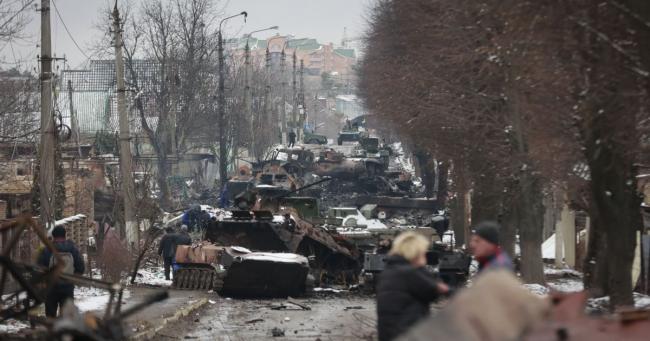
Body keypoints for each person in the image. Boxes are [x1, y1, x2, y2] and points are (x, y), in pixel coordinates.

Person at [376, 232, 449, 341]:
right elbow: (433, 291)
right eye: (423, 252)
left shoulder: (390, 271)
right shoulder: (409, 273)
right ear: (415, 252)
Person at [37, 226, 85, 318]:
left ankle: (51, 331)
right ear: (65, 235)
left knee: (50, 316)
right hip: (68, 287)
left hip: (51, 288)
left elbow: (40, 269)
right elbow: (81, 267)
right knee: (66, 317)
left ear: (53, 236)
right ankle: (64, 331)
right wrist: (73, 278)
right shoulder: (72, 249)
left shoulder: (47, 249)